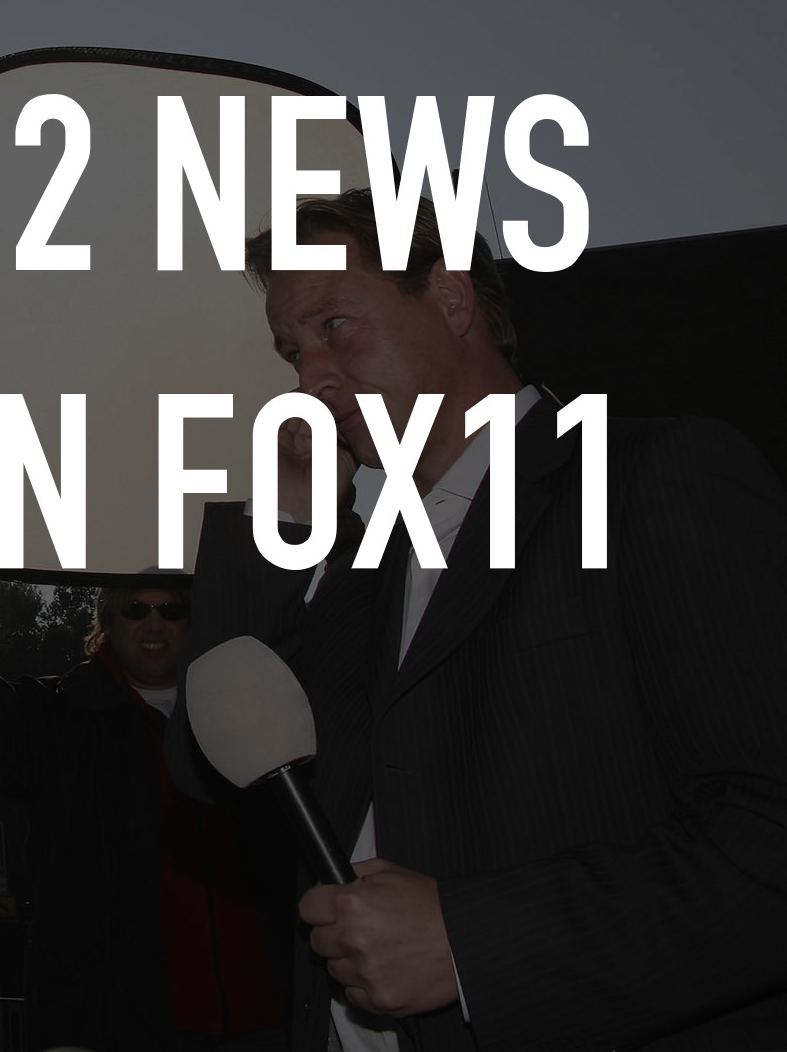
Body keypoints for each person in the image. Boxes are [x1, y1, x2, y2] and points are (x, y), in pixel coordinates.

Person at [166, 188, 787, 1052]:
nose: (310, 379)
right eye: (292, 351)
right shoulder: (361, 574)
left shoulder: (653, 478)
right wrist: (285, 522)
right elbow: (210, 767)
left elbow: (767, 836)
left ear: (452, 299)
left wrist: (470, 945)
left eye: (335, 325)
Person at [0, 565, 291, 1052]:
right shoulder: (62, 719)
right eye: (136, 609)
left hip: (262, 1020)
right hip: (113, 1027)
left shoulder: (251, 714)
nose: (154, 624)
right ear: (107, 619)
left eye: (171, 610)